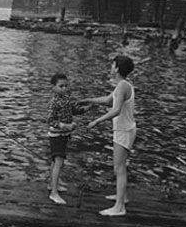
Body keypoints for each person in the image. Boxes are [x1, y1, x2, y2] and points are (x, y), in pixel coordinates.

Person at [80, 55, 136, 217]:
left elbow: (116, 110)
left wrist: (96, 121)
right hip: (126, 129)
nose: (110, 68)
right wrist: (88, 100)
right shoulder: (122, 86)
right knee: (121, 167)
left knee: (119, 168)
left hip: (124, 131)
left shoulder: (122, 87)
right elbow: (107, 100)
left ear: (117, 68)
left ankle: (119, 207)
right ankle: (122, 197)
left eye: (112, 65)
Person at [45, 72, 89, 205]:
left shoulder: (67, 99)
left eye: (66, 86)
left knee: (56, 161)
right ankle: (54, 193)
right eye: (61, 86)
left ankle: (52, 184)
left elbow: (74, 110)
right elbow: (51, 120)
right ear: (53, 87)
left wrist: (88, 108)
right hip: (56, 135)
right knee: (58, 161)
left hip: (64, 135)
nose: (64, 89)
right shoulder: (53, 102)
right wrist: (67, 126)